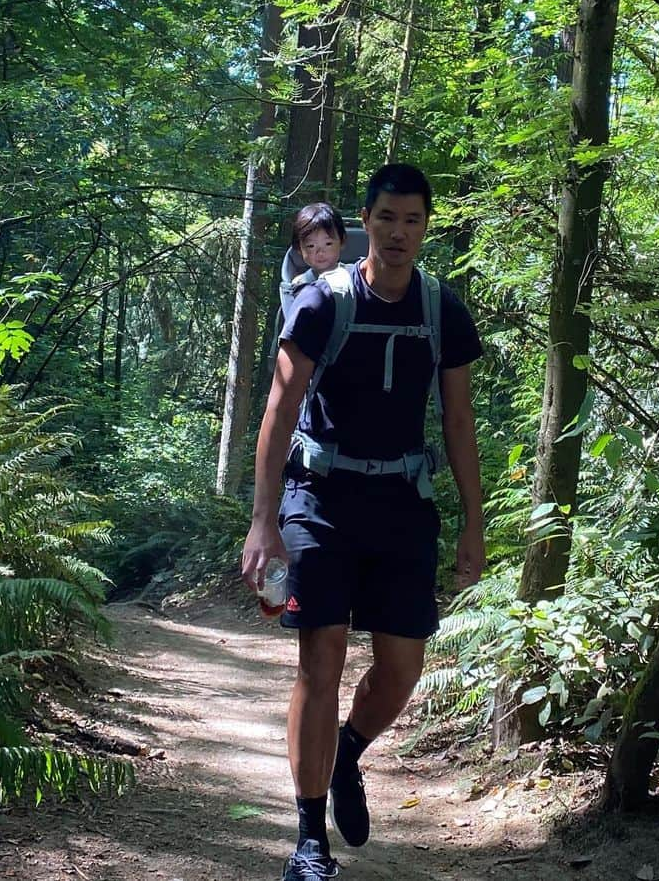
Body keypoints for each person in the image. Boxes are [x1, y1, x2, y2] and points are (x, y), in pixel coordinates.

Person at [242, 164, 484, 881]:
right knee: (320, 661)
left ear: (426, 225)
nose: (399, 232)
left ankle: (348, 750)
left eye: (412, 220)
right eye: (386, 218)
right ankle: (309, 839)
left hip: (402, 504)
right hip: (319, 499)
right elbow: (280, 409)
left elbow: (460, 419)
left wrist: (473, 523)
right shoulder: (321, 302)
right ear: (364, 221)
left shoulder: (443, 311)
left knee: (402, 667)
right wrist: (263, 520)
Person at [289, 202, 347, 289]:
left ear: (342, 241)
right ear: (299, 248)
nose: (320, 252)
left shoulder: (351, 277)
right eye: (311, 246)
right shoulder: (299, 284)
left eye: (328, 244)